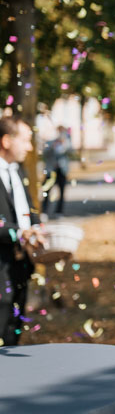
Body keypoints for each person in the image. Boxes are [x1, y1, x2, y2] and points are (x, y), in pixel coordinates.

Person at [0, 116, 45, 346]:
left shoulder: (18, 171)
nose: (29, 147)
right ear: (6, 140)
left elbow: (28, 208)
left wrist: (38, 228)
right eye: (25, 140)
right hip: (1, 270)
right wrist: (20, 233)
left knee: (13, 335)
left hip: (20, 266)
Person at [41, 125, 72, 215]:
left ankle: (59, 211)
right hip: (51, 170)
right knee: (47, 190)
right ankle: (44, 211)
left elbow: (71, 151)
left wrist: (64, 144)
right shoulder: (50, 142)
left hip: (62, 170)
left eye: (62, 132)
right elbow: (45, 153)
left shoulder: (67, 142)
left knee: (61, 191)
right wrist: (53, 145)